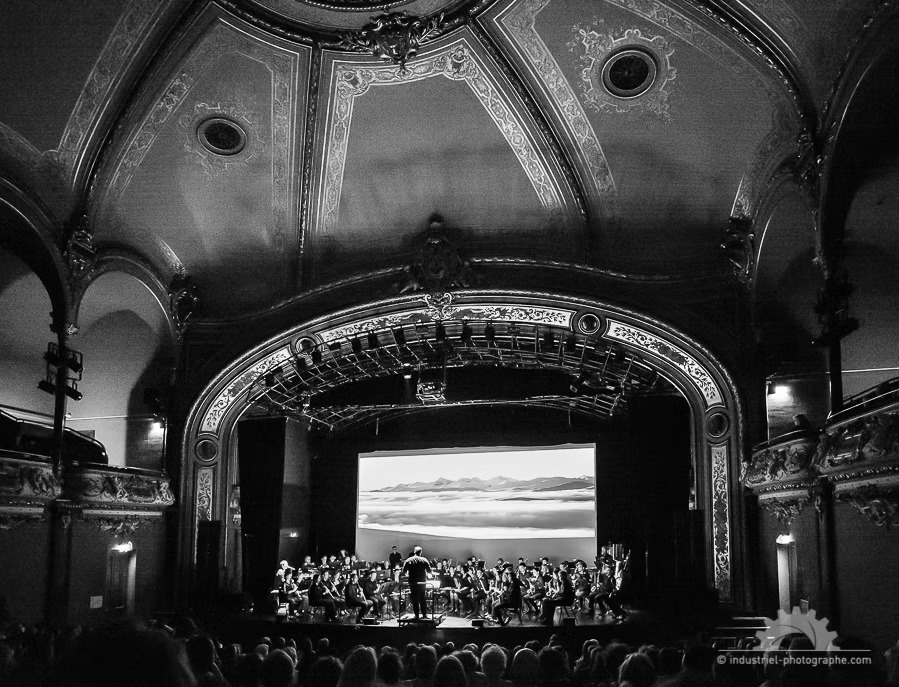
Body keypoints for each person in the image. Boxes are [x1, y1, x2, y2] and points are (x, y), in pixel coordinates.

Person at [401, 545, 432, 618]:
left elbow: (404, 571)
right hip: (422, 582)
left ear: (414, 552)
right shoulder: (424, 560)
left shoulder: (408, 560)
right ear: (421, 552)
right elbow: (429, 571)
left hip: (413, 582)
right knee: (422, 598)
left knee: (415, 598)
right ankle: (424, 614)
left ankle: (416, 615)